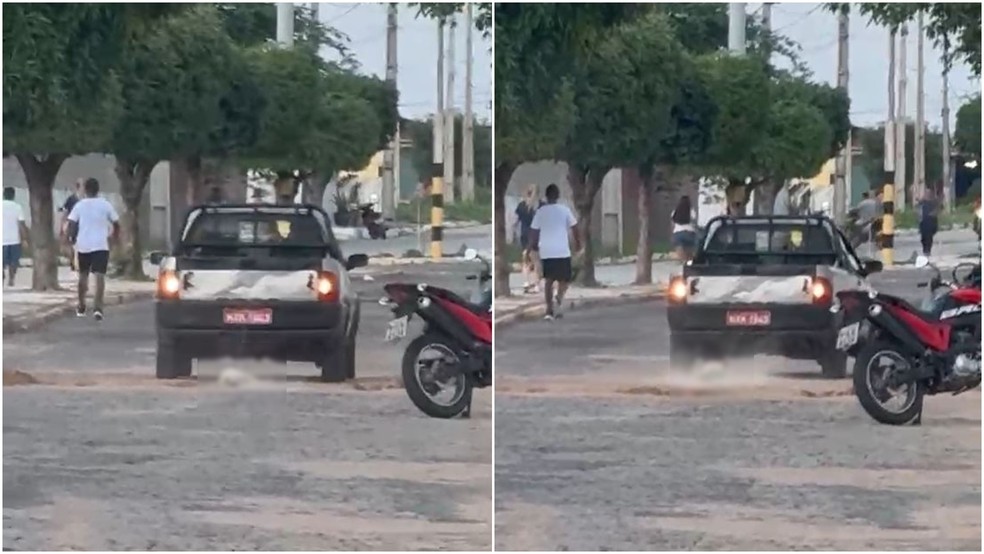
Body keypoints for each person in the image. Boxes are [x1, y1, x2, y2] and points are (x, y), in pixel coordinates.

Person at [66, 178, 120, 321]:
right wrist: (115, 238)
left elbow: (71, 223)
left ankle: (81, 304)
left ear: (85, 189)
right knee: (99, 276)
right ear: (98, 189)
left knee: (83, 275)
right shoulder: (105, 205)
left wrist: (71, 239)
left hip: (83, 245)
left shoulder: (79, 205)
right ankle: (98, 308)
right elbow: (116, 222)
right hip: (101, 245)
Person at [530, 184, 579, 320]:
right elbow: (575, 228)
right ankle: (558, 298)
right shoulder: (564, 210)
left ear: (546, 196)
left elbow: (534, 231)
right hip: (562, 250)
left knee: (549, 281)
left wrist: (533, 246)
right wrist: (578, 245)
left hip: (546, 250)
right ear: (558, 196)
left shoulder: (541, 212)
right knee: (566, 279)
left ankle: (549, 310)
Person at [515, 184, 542, 293]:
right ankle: (537, 284)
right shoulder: (540, 206)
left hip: (524, 235)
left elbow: (515, 221)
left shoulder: (521, 205)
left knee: (525, 259)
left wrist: (512, 232)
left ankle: (526, 282)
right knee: (536, 261)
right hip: (536, 235)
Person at [2, 187, 30, 287]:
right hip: (14, 239)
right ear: (13, 195)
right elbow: (21, 224)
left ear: (3, 194)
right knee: (13, 262)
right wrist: (25, 239)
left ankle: (2, 275)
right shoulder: (18, 207)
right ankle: (11, 278)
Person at [59, 179, 83, 271]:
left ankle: (79, 262)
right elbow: (65, 212)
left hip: (83, 225)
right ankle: (73, 262)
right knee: (71, 244)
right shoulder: (71, 199)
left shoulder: (86, 199)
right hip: (73, 224)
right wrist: (63, 224)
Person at [670, 196, 698, 262]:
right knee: (690, 254)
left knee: (681, 255)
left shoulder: (675, 212)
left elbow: (672, 225)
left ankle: (684, 262)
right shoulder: (692, 212)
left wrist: (673, 235)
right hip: (689, 233)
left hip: (678, 233)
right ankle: (689, 263)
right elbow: (694, 223)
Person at [917, 188, 940, 256]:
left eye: (928, 193)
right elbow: (918, 209)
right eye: (925, 193)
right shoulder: (922, 202)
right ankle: (925, 250)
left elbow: (938, 209)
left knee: (929, 237)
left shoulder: (934, 201)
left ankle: (927, 250)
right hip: (923, 221)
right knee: (923, 237)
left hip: (931, 221)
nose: (926, 194)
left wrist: (933, 214)